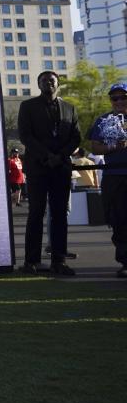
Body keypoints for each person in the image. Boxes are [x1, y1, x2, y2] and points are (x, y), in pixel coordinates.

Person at [17, 71, 80, 276]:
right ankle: (31, 261)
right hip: (38, 167)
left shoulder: (70, 108)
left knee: (60, 215)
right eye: (43, 81)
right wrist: (47, 156)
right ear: (38, 84)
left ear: (58, 83)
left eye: (51, 80)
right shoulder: (27, 107)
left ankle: (58, 260)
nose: (48, 83)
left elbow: (76, 138)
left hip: (61, 168)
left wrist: (60, 156)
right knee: (36, 212)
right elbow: (25, 136)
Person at [87, 82, 127, 278]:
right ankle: (125, 261)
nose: (119, 101)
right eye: (115, 98)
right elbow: (95, 147)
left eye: (123, 97)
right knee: (118, 220)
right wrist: (115, 147)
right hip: (114, 177)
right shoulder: (104, 120)